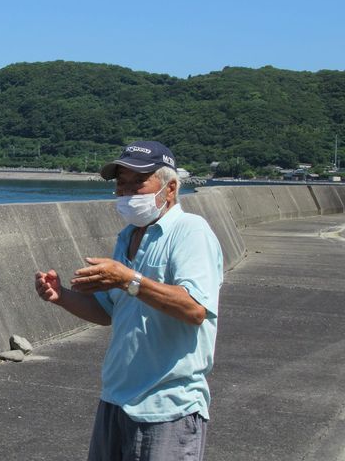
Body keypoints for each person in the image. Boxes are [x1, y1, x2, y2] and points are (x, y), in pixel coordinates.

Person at [35, 140, 223, 461]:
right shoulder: (127, 237)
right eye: (122, 184)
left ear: (171, 187)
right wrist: (61, 296)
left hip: (168, 406)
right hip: (116, 399)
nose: (128, 191)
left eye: (139, 181)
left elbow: (195, 309)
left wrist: (129, 280)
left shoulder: (190, 231)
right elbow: (108, 311)